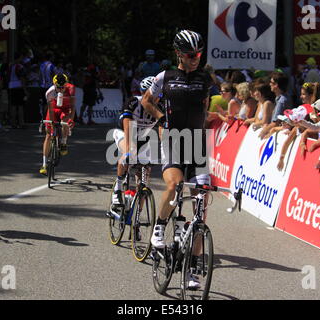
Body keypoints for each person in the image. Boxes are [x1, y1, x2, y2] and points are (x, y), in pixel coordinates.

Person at [141, 29, 212, 289]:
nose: (196, 59)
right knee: (174, 186)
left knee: (202, 207)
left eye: (199, 54)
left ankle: (192, 270)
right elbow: (148, 101)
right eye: (191, 55)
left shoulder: (205, 78)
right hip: (172, 141)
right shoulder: (165, 76)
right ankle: (159, 227)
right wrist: (161, 119)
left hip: (196, 145)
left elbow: (203, 107)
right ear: (179, 53)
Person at [111, 76, 157, 206]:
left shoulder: (159, 106)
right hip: (124, 133)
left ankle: (136, 215)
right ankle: (118, 190)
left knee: (144, 175)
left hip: (142, 138)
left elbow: (163, 129)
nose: (155, 98)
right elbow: (128, 126)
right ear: (143, 93)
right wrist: (130, 149)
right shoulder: (133, 102)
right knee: (129, 153)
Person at [39, 74, 75, 175]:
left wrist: (71, 120)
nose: (60, 89)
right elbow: (50, 109)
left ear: (66, 84)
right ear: (54, 85)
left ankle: (63, 142)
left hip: (65, 109)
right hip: (54, 109)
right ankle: (44, 164)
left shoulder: (71, 89)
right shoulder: (50, 92)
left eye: (63, 87)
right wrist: (51, 123)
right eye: (58, 87)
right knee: (48, 135)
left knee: (65, 122)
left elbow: (72, 107)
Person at [259, 71, 290, 139]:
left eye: (272, 83)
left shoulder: (281, 101)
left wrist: (263, 131)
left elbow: (276, 123)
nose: (270, 84)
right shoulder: (280, 98)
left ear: (277, 85)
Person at [8, 52, 28, 129]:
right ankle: (21, 123)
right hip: (18, 86)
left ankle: (13, 123)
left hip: (11, 86)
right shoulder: (20, 67)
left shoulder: (11, 66)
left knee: (13, 106)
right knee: (20, 106)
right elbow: (22, 79)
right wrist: (25, 90)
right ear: (19, 58)